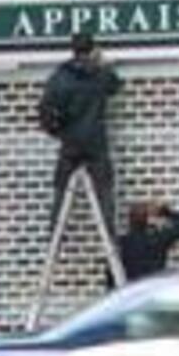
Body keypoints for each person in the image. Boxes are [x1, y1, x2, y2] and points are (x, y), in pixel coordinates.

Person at [37, 31, 124, 243]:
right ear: (92, 48)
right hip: (96, 143)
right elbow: (116, 86)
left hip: (71, 143)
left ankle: (55, 235)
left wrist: (58, 132)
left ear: (73, 49)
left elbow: (45, 111)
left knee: (61, 189)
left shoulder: (60, 76)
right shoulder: (99, 73)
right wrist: (104, 63)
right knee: (104, 192)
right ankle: (109, 237)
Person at [116, 200, 179, 281]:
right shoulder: (156, 240)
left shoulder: (123, 243)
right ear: (147, 221)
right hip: (152, 285)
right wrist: (166, 211)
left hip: (132, 287)